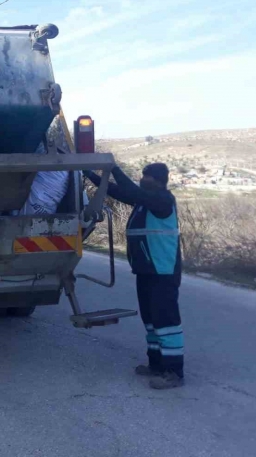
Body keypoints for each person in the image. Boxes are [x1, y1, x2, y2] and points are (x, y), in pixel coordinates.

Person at [84, 163, 184, 390]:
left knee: (166, 321)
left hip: (162, 270)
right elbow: (118, 191)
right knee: (150, 320)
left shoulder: (162, 200)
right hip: (147, 270)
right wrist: (89, 174)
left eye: (145, 177)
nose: (141, 180)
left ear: (157, 180)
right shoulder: (144, 202)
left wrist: (114, 168)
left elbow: (131, 190)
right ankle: (156, 364)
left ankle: (174, 372)